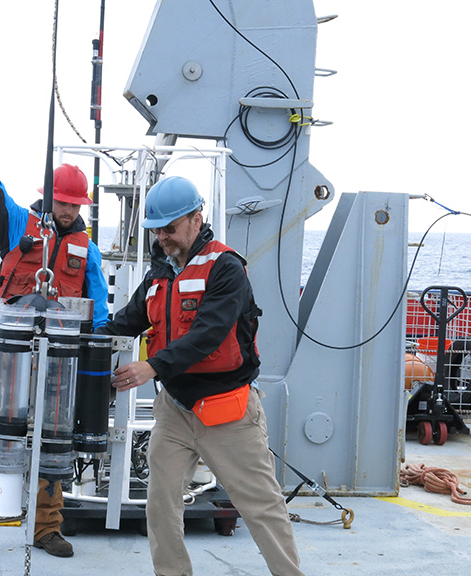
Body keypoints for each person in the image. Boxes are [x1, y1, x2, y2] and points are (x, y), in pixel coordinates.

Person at [96, 176, 305, 576]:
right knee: (160, 504)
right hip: (175, 409)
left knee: (261, 505)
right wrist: (74, 339)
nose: (162, 238)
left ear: (196, 219)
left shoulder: (226, 268)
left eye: (170, 229)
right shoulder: (159, 275)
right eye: (156, 230)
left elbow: (209, 334)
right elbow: (124, 323)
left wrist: (151, 367)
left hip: (228, 411)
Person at [0, 92, 109, 565]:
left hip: (59, 361)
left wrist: (97, 358)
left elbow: (97, 310)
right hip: (6, 358)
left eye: (73, 204)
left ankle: (47, 528)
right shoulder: (19, 223)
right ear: (50, 196)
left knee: (55, 441)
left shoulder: (88, 251)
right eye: (61, 201)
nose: (66, 210)